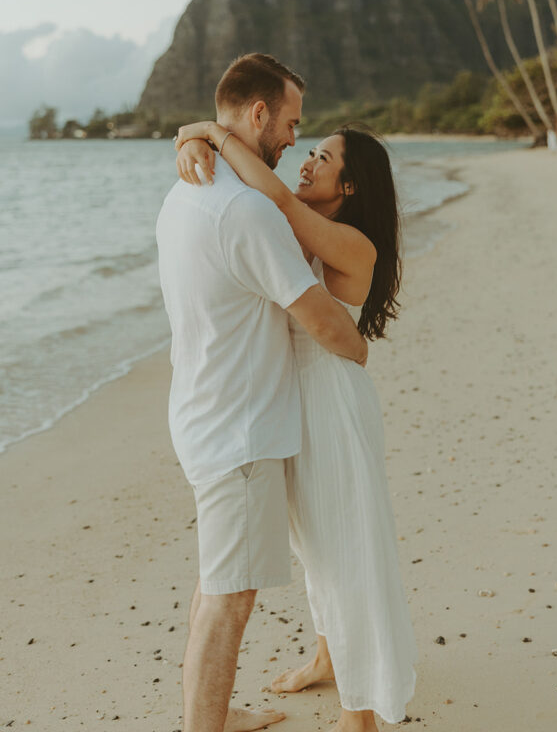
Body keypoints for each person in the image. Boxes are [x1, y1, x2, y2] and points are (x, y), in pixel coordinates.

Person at [175, 114, 417, 732]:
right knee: (316, 547)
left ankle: (358, 715)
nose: (306, 161)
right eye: (307, 148)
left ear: (352, 186)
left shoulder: (349, 242)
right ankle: (328, 658)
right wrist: (192, 142)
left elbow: (273, 194)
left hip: (331, 403)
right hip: (292, 402)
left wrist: (210, 130)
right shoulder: (291, 229)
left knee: (346, 550)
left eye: (324, 158)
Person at [156, 54, 368, 732]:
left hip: (200, 411)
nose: (290, 141)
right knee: (229, 597)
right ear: (256, 115)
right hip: (238, 432)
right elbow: (321, 320)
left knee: (215, 582)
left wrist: (196, 135)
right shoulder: (246, 210)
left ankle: (213, 710)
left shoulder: (186, 189)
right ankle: (204, 726)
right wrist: (359, 350)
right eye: (289, 123)